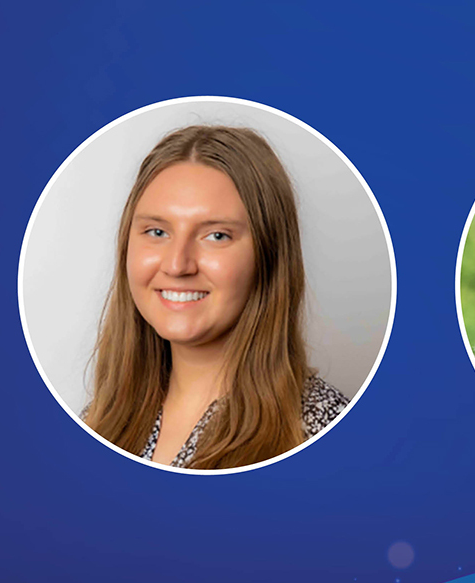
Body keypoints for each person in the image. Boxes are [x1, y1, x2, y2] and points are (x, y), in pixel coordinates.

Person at [83, 125, 348, 469]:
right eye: (157, 231)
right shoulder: (99, 420)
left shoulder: (321, 434)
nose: (177, 264)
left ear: (269, 256)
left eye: (217, 235)